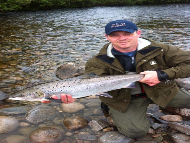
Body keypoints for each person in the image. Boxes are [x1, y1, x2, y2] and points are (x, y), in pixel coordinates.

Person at [45, 20, 190, 138]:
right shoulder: (97, 62)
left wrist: (162, 75)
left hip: (162, 90)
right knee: (137, 132)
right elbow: (90, 85)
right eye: (115, 35)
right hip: (125, 98)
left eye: (127, 33)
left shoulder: (161, 49)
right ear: (107, 37)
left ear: (138, 33)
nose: (122, 38)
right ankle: (110, 107)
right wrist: (72, 95)